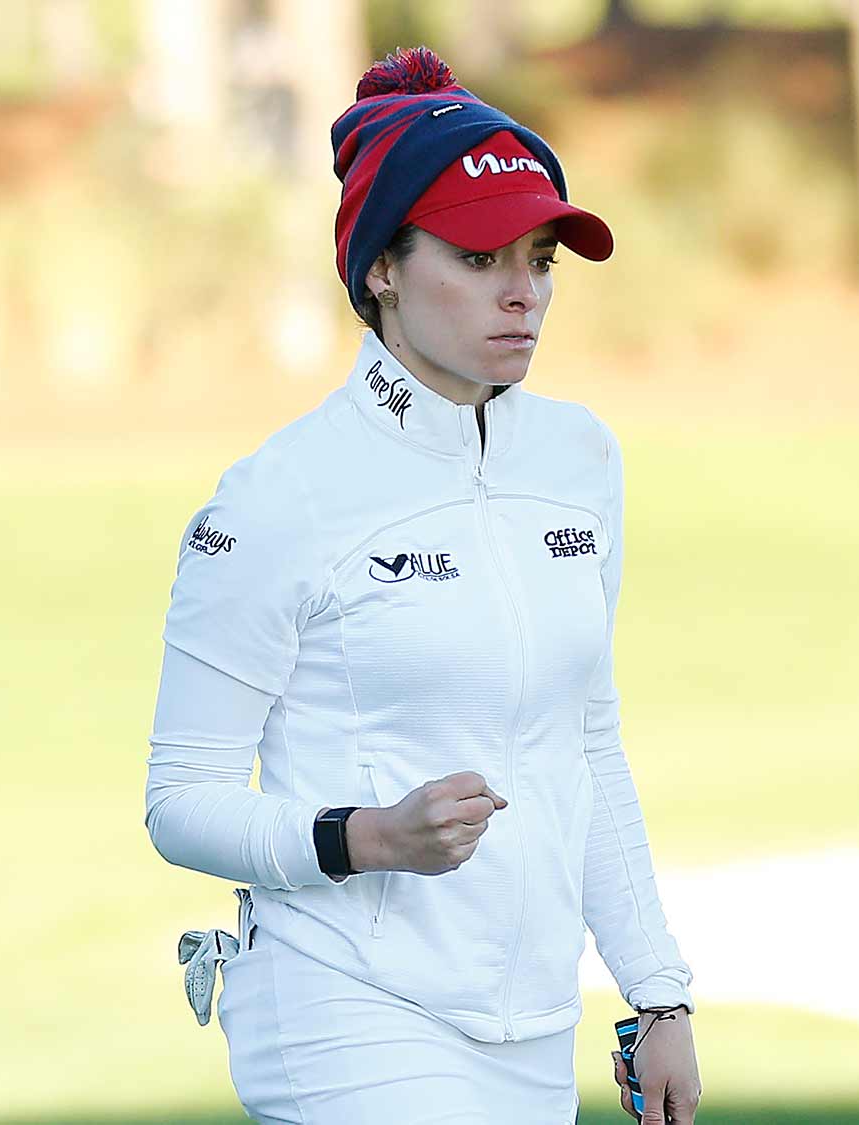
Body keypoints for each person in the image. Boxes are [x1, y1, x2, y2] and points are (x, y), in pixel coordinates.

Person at [145, 46, 702, 1124]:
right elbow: (179, 803)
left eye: (538, 258)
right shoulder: (274, 498)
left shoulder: (579, 461)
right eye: (478, 255)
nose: (523, 293)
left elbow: (585, 744)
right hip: (340, 1000)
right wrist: (367, 838)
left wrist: (657, 993)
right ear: (383, 268)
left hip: (533, 1023)